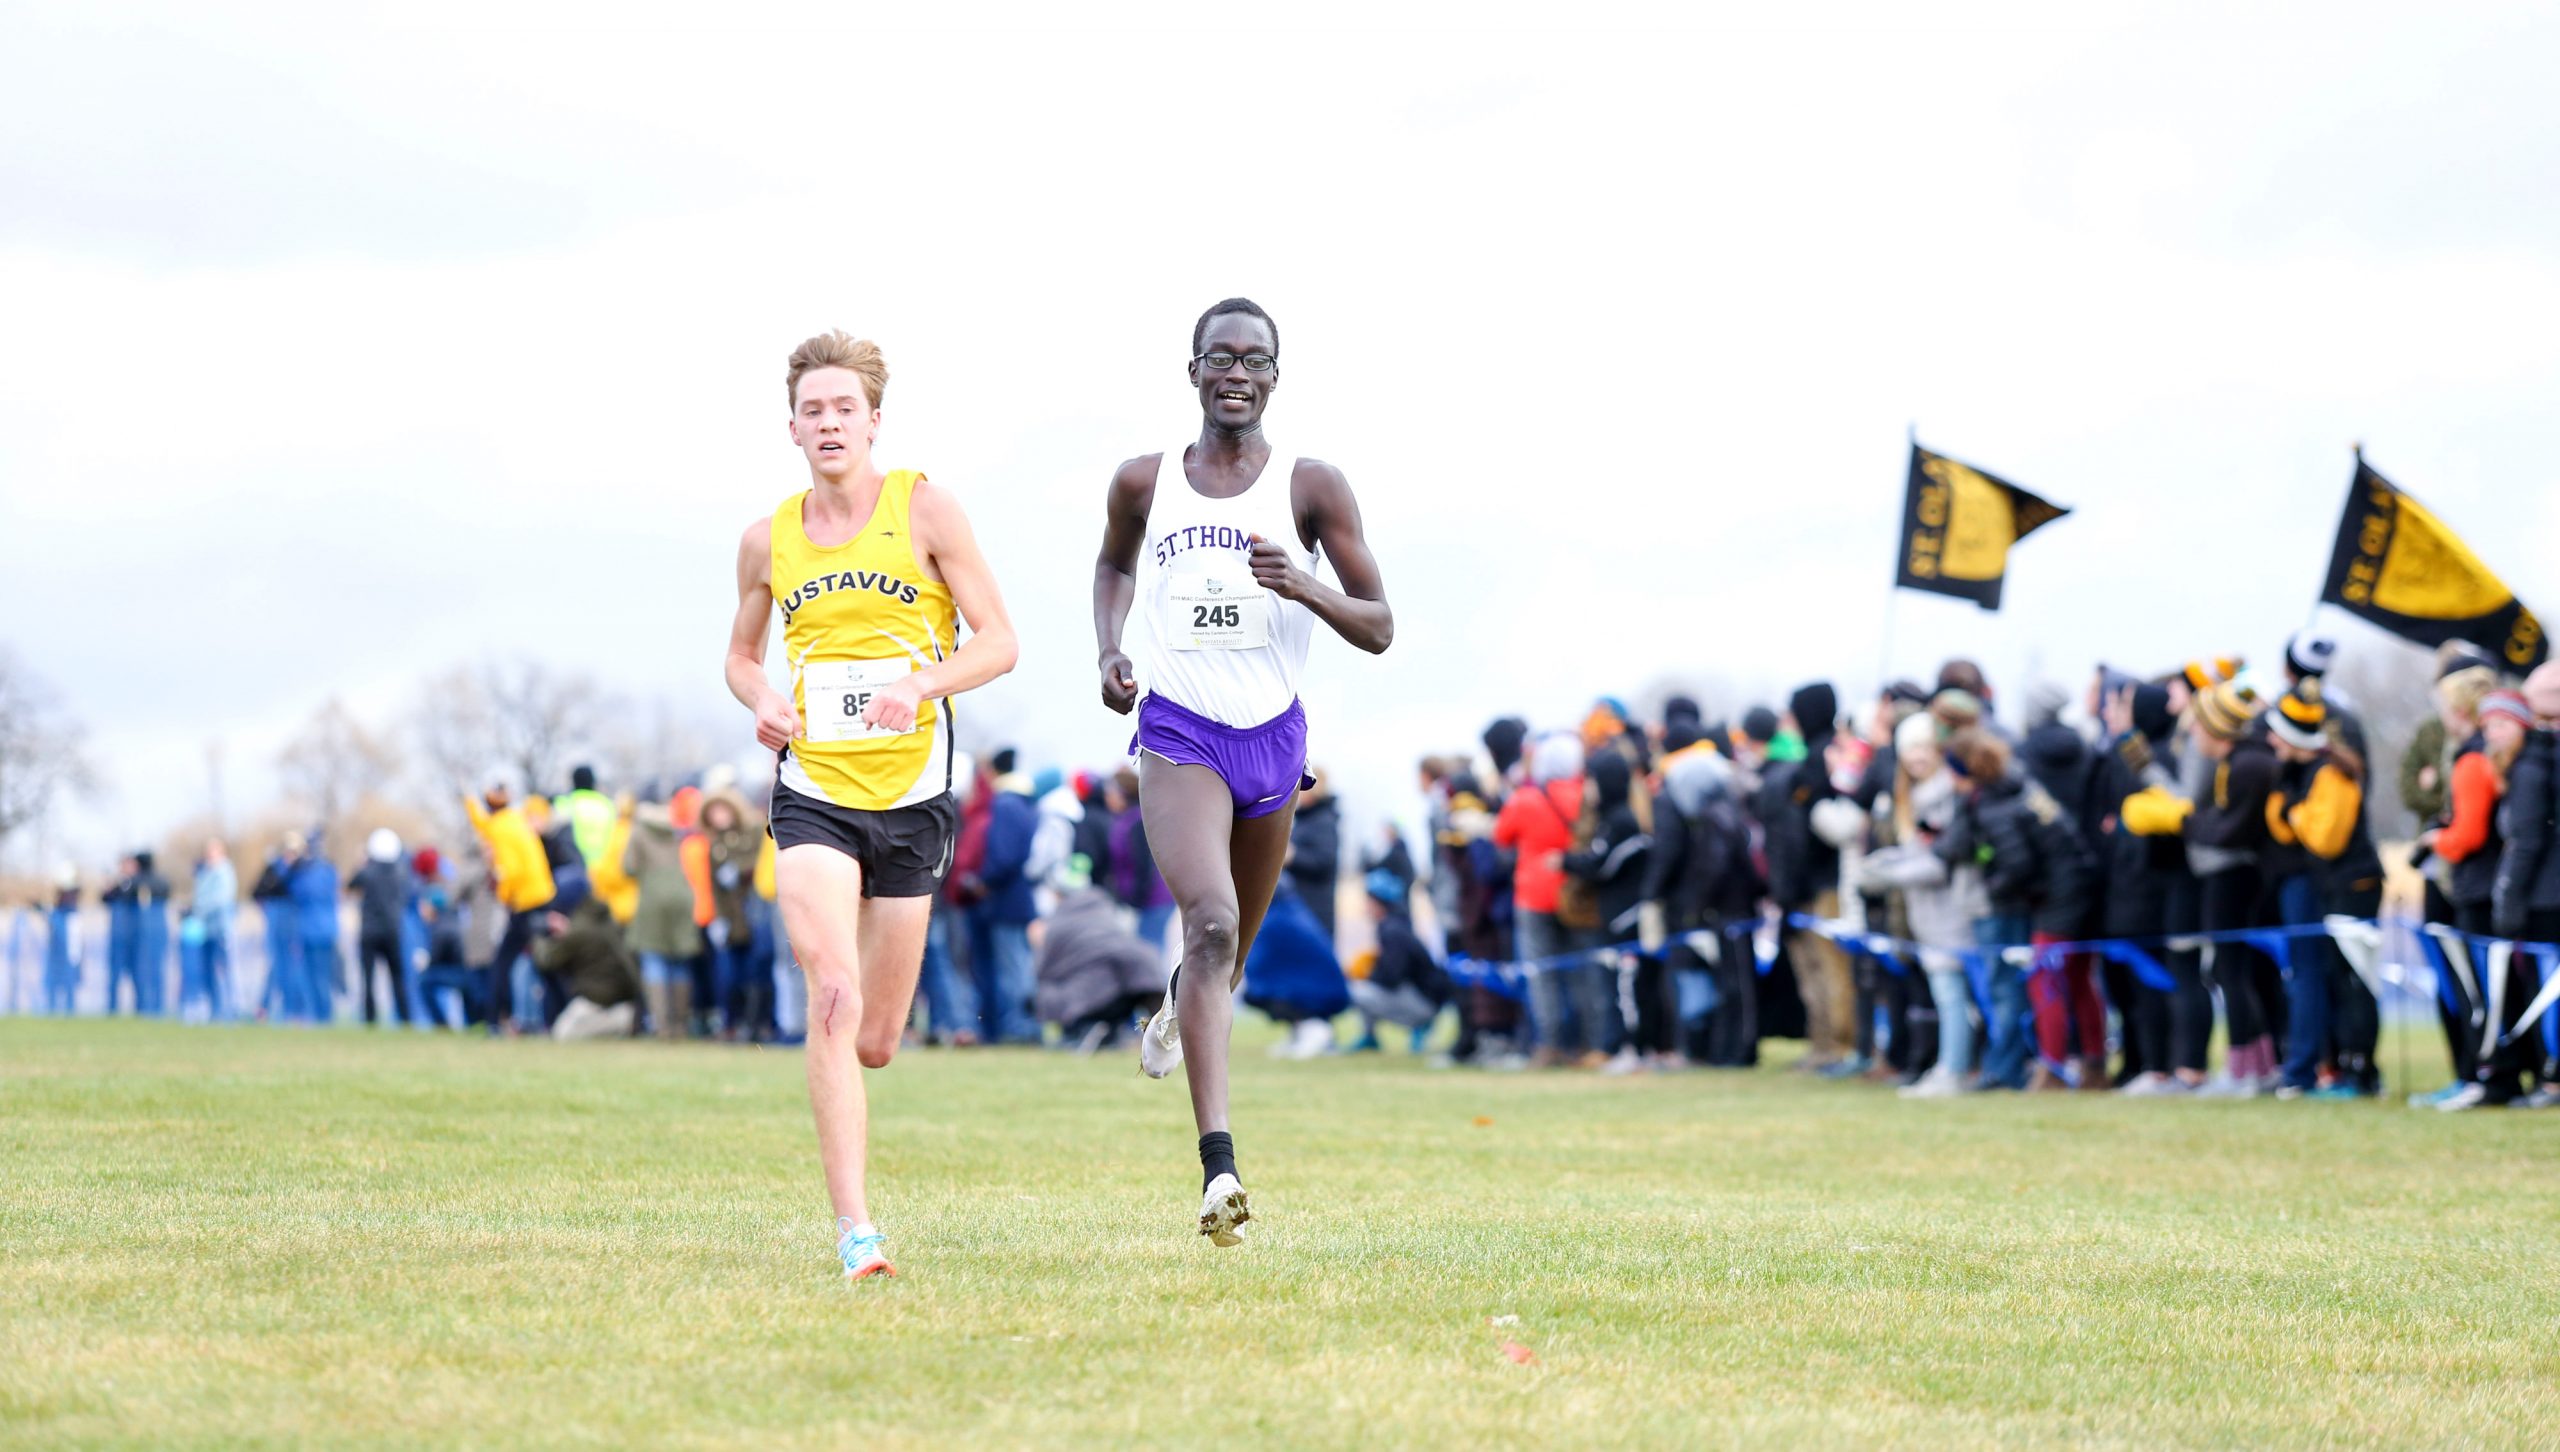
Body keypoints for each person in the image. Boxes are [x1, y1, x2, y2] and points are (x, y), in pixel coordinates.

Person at [1093, 298, 1391, 1244]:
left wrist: (1301, 580)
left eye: (1253, 359)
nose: (1235, 372)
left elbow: (1379, 625)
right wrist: (1109, 650)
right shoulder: (1145, 483)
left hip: (1273, 737)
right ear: (1192, 372)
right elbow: (1113, 568)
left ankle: (1187, 1000)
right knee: (1212, 922)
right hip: (1180, 730)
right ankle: (1219, 1172)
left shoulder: (1312, 488)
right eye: (1218, 357)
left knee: (1232, 952)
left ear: (1273, 376)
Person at [726, 329, 1017, 1281]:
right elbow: (740, 654)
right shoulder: (768, 539)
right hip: (814, 790)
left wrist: (923, 686)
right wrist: (763, 698)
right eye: (813, 410)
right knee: (831, 995)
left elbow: (1000, 642)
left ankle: (864, 1072)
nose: (829, 423)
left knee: (878, 1039)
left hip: (913, 793)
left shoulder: (926, 509)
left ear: (874, 420)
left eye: (845, 407)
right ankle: (857, 1231)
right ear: (794, 428)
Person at [2264, 681, 2385, 1097]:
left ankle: (2363, 1069)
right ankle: (2344, 1066)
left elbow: (2324, 838)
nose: (2269, 741)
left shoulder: (2332, 774)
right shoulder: (2300, 773)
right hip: (2333, 888)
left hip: (2355, 885)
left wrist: (2295, 812)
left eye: (2276, 733)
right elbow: (2280, 827)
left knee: (2355, 981)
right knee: (2337, 977)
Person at [2431, 689, 2535, 1109]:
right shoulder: (2495, 762)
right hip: (2490, 888)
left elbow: (2469, 834)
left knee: (2483, 992)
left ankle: (2494, 1075)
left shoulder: (2473, 761)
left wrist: (2438, 839)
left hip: (2478, 890)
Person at [2183, 680, 2281, 1096]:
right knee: (2233, 971)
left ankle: (2245, 1069)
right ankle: (2254, 1065)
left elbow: (2230, 830)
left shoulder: (2248, 766)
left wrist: (2185, 822)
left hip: (2236, 876)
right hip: (2239, 876)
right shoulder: (2239, 762)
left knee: (2232, 971)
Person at [1494, 732, 1602, 1067]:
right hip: (1577, 893)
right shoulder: (1585, 794)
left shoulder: (1526, 798)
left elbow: (1501, 835)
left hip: (1534, 895)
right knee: (1583, 970)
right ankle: (1589, 1044)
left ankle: (1551, 1043)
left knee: (1542, 973)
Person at [2494, 663, 2560, 1106]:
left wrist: (2509, 897)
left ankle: (2553, 1078)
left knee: (2549, 991)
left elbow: (2528, 838)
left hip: (2545, 897)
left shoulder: (2534, 767)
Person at [1033, 861, 1166, 1051]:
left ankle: (1087, 1030)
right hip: (1137, 985)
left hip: (1090, 995)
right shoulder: (1106, 911)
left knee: (1050, 992)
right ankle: (1115, 1033)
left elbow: (1044, 971)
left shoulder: (1057, 924)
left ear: (1058, 894)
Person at [461, 775, 556, 1034]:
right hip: (540, 895)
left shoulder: (501, 829)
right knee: (537, 959)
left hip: (526, 901)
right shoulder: (513, 821)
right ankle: (540, 1018)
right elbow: (483, 823)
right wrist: (469, 800)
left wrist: (503, 894)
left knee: (505, 961)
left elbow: (511, 870)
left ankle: (495, 1019)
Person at [625, 795, 704, 1041]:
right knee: (680, 962)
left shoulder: (639, 831)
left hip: (652, 898)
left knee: (654, 961)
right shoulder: (679, 829)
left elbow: (628, 867)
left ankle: (662, 1027)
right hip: (683, 895)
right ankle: (680, 1025)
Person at [1346, 869, 1449, 1053]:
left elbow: (1391, 976)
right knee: (1363, 986)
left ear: (1378, 902)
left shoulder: (1392, 931)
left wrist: (1366, 973)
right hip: (1424, 997)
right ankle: (1371, 1037)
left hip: (1425, 1003)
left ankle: (1418, 1026)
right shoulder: (1396, 925)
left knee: (1358, 991)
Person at [534, 898, 644, 1041]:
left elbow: (547, 961)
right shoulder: (608, 920)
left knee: (563, 1033)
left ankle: (620, 1022)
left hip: (596, 998)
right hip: (620, 993)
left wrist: (540, 939)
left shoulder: (579, 929)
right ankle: (622, 1018)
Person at [346, 828, 413, 1026]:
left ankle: (370, 1019)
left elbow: (350, 886)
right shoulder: (401, 872)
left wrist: (361, 862)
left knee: (368, 978)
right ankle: (406, 1018)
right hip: (393, 929)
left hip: (370, 931)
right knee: (398, 978)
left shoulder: (367, 871)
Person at [187, 840, 238, 1022]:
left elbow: (220, 899)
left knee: (224, 970)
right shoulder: (203, 873)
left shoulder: (224, 872)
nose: (209, 857)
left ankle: (230, 1010)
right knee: (207, 972)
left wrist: (198, 908)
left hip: (221, 929)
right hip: (205, 930)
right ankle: (215, 1010)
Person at [43, 867, 83, 1015]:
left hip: (69, 940)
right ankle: (52, 1011)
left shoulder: (72, 911)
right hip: (58, 945)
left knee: (69, 976)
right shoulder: (58, 909)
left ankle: (70, 1011)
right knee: (54, 978)